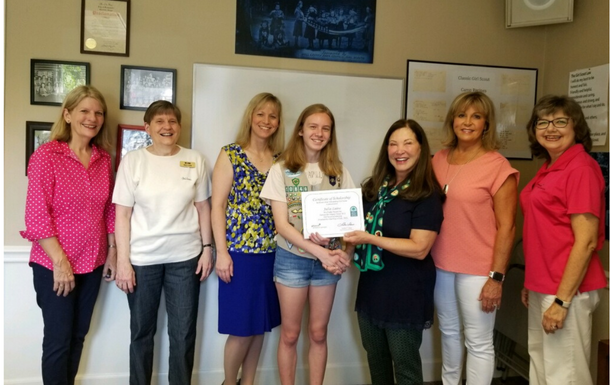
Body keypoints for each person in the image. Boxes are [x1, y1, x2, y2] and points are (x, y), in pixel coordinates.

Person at [20, 85, 116, 384]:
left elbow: (109, 210)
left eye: (98, 112)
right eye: (85, 111)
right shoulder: (47, 155)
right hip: (55, 265)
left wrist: (112, 251)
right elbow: (36, 216)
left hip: (93, 261)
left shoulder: (104, 159)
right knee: (58, 341)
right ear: (68, 114)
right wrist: (61, 263)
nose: (93, 118)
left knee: (77, 337)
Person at [113, 100, 213, 385]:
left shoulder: (195, 160)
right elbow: (122, 214)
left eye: (172, 121)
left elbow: (204, 208)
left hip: (185, 259)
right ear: (147, 127)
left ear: (179, 127)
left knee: (183, 334)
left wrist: (208, 250)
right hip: (142, 261)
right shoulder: (133, 161)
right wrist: (123, 261)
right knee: (142, 333)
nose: (166, 127)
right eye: (159, 122)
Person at [343, 119, 444, 385]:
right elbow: (350, 227)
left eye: (408, 143)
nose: (400, 150)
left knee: (405, 364)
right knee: (376, 360)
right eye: (393, 143)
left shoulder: (427, 193)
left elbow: (420, 248)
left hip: (405, 291)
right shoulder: (373, 188)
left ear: (421, 149)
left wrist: (370, 238)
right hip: (372, 287)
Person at [260, 104, 354, 385]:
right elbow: (282, 226)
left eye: (325, 128)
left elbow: (351, 222)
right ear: (300, 130)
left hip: (328, 264)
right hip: (292, 260)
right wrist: (319, 252)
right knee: (289, 335)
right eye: (313, 126)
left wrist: (345, 253)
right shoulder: (281, 170)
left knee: (318, 334)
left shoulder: (338, 171)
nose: (319, 133)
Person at [431, 91, 519, 384]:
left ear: (486, 124)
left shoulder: (498, 167)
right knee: (449, 334)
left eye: (476, 116)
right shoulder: (438, 159)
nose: (467, 122)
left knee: (479, 343)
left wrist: (496, 278)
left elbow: (508, 227)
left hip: (479, 270)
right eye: (461, 115)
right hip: (441, 264)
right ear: (452, 120)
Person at [520, 95, 606, 385]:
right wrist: (531, 284)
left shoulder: (580, 168)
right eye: (542, 122)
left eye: (560, 121)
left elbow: (586, 242)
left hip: (566, 290)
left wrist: (561, 301)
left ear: (576, 126)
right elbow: (544, 231)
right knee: (542, 368)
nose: (550, 128)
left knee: (565, 375)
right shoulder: (550, 166)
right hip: (543, 286)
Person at [212, 93, 285, 385]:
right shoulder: (230, 154)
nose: (266, 121)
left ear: (279, 123)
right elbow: (217, 205)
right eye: (261, 114)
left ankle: (249, 382)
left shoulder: (282, 160)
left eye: (273, 116)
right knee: (241, 328)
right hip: (239, 254)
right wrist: (221, 252)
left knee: (260, 325)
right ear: (250, 117)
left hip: (274, 254)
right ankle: (230, 382)